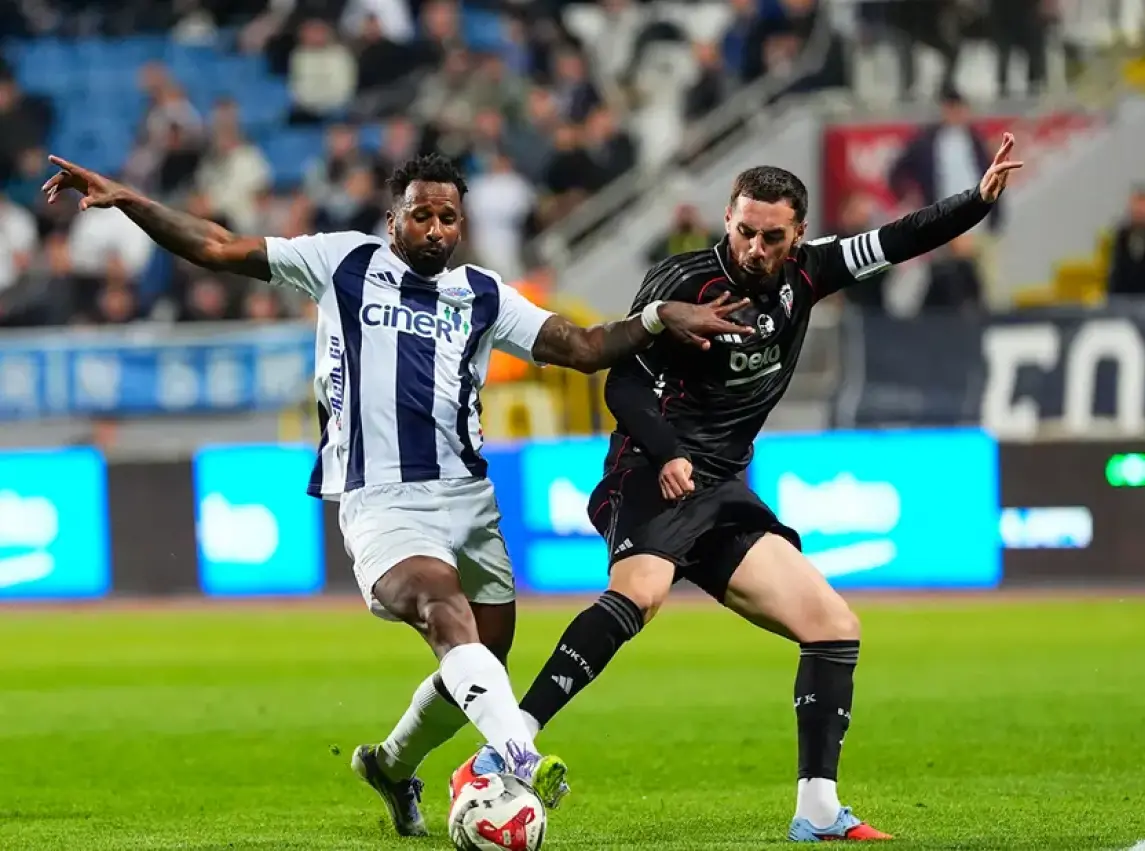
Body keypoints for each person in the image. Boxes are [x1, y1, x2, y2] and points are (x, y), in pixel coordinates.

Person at [41, 151, 754, 837]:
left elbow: (585, 346)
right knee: (446, 614)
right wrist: (130, 201)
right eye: (421, 216)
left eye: (448, 218)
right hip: (380, 498)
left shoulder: (482, 293)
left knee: (481, 658)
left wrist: (657, 318)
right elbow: (219, 246)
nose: (435, 230)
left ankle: (389, 766)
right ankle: (520, 756)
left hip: (469, 501)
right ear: (394, 220)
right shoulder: (342, 263)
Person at [452, 135, 1024, 842]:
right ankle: (504, 746)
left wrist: (976, 201)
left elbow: (899, 238)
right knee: (642, 593)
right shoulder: (682, 282)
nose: (754, 248)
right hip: (648, 467)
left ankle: (818, 809)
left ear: (798, 234)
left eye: (771, 237)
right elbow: (623, 384)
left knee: (833, 625)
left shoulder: (810, 273)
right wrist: (666, 453)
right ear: (728, 218)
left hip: (720, 485)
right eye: (745, 231)